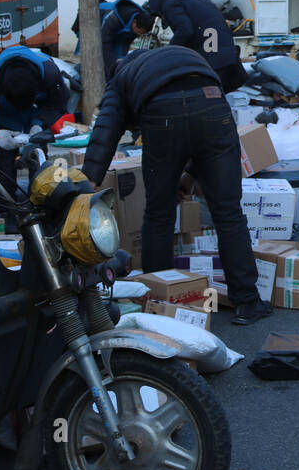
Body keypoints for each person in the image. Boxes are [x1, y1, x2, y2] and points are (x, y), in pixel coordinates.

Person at [80, 46, 271, 326]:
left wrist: (89, 179)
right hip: (212, 103)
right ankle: (248, 302)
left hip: (163, 112)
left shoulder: (121, 77)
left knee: (159, 214)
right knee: (229, 212)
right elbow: (202, 127)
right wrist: (191, 176)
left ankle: (160, 302)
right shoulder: (175, 54)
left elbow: (106, 127)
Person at [0, 46, 70, 193]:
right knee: (5, 157)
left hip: (37, 113)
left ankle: (39, 202)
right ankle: (7, 206)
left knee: (38, 153)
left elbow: (58, 103)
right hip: (5, 116)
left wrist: (40, 124)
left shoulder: (50, 73)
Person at [143, 0, 247, 92]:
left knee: (205, 97)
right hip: (227, 55)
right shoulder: (194, 0)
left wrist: (170, 52)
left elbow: (185, 31)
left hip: (212, 59)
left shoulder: (171, 5)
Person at [100, 0, 154, 80]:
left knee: (118, 62)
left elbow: (124, 44)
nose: (138, 35)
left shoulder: (137, 25)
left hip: (116, 32)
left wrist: (121, 67)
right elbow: (105, 45)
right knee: (98, 60)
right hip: (93, 19)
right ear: (134, 22)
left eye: (141, 34)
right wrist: (111, 71)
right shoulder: (113, 18)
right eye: (138, 32)